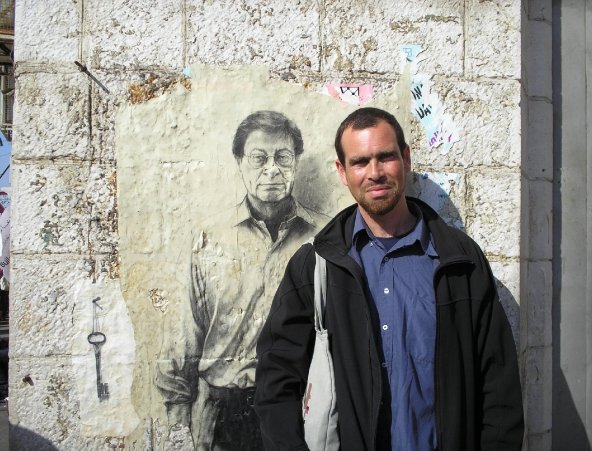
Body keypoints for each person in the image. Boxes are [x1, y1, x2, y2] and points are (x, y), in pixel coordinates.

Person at [254, 107, 524, 450]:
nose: (375, 173)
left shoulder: (458, 261)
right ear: (342, 171)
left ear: (405, 159)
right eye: (360, 162)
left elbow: (498, 384)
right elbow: (276, 379)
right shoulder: (317, 265)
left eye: (385, 157)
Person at [156, 110, 329, 450]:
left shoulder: (323, 237)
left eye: (283, 157)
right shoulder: (209, 239)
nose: (272, 169)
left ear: (296, 162)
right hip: (222, 414)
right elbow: (184, 334)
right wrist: (177, 424)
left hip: (300, 408)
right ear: (239, 162)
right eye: (258, 158)